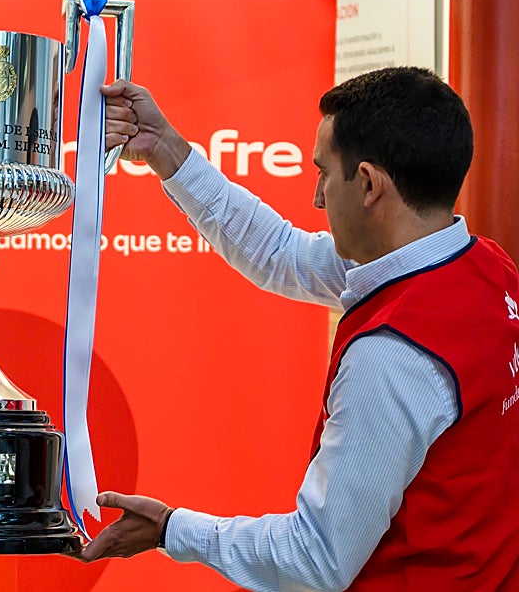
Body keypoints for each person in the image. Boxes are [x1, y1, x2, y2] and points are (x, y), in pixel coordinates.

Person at [80, 67, 519, 590]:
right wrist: (165, 149)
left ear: (369, 184)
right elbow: (279, 254)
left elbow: (317, 559)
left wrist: (172, 529)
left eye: (324, 174)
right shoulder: (485, 267)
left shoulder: (392, 356)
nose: (316, 197)